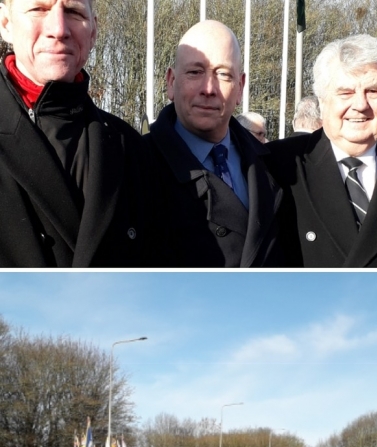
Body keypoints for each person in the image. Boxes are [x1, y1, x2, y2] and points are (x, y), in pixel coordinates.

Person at [0, 0, 155, 267]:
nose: (59, 29)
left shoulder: (132, 149)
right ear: (6, 24)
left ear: (93, 31)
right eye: (39, 9)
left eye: (74, 12)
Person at [146, 20, 284, 267]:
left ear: (240, 88)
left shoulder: (276, 165)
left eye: (223, 74)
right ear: (170, 82)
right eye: (195, 72)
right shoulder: (133, 165)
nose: (209, 89)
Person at [267, 34, 377, 268]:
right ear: (322, 100)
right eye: (345, 92)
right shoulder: (277, 166)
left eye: (373, 91)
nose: (360, 105)